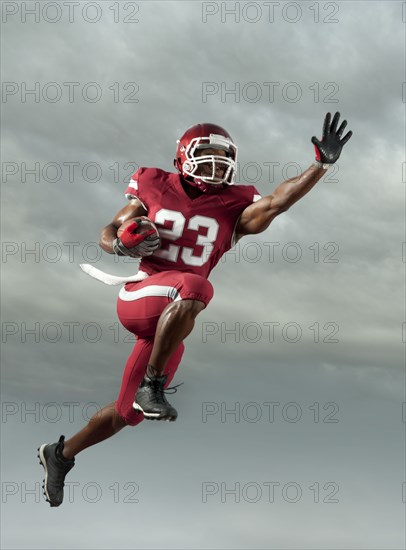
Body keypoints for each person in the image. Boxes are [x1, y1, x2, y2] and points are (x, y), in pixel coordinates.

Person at [38, 112, 352, 506]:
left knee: (128, 412)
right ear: (181, 159)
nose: (217, 166)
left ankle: (61, 454)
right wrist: (119, 244)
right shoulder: (153, 184)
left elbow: (277, 202)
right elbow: (109, 231)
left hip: (174, 320)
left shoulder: (235, 204)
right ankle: (153, 385)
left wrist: (321, 165)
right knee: (195, 285)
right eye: (207, 157)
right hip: (141, 295)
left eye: (224, 160)